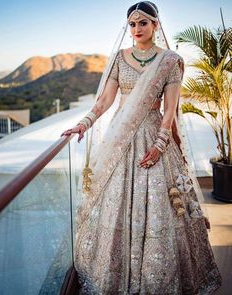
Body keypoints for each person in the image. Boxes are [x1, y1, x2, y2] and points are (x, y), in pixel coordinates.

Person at [61, 2, 222, 294]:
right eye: (132, 24)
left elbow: (171, 108)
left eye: (143, 23)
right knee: (115, 202)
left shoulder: (170, 60)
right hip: (120, 139)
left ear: (156, 26)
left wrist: (161, 144)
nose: (137, 29)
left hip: (152, 137)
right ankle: (115, 271)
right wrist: (83, 124)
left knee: (161, 206)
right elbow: (104, 102)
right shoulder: (118, 59)